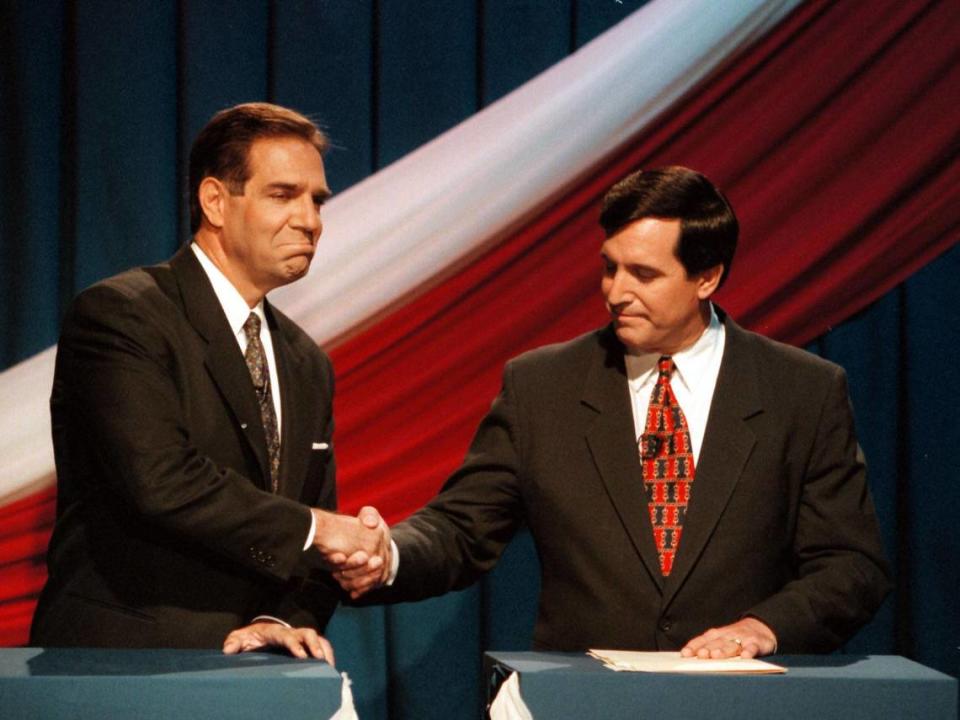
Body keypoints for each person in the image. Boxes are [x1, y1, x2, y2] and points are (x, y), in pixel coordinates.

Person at [341, 166, 891, 658]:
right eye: (610, 268)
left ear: (707, 278)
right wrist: (386, 553)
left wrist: (762, 628)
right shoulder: (543, 386)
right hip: (584, 700)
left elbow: (851, 565)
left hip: (738, 701)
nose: (615, 293)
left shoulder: (802, 390)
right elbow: (462, 529)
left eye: (643, 275)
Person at [30, 102, 390, 663]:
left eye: (317, 200)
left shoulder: (306, 361)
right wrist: (320, 529)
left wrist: (283, 617)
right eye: (283, 194)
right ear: (215, 202)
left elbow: (306, 532)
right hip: (124, 668)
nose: (311, 219)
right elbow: (161, 480)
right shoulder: (123, 315)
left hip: (254, 670)